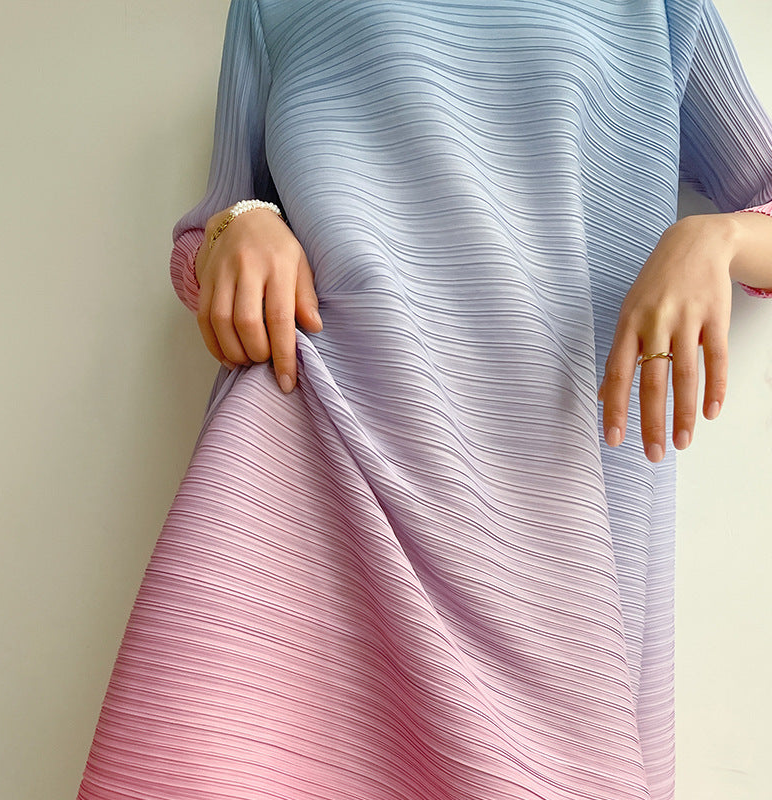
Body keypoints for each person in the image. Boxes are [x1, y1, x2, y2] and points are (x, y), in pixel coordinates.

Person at [77, 1, 772, 798]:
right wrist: (242, 223)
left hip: (550, 518)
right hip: (305, 469)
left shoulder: (657, 8)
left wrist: (710, 239)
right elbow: (206, 245)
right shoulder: (270, 7)